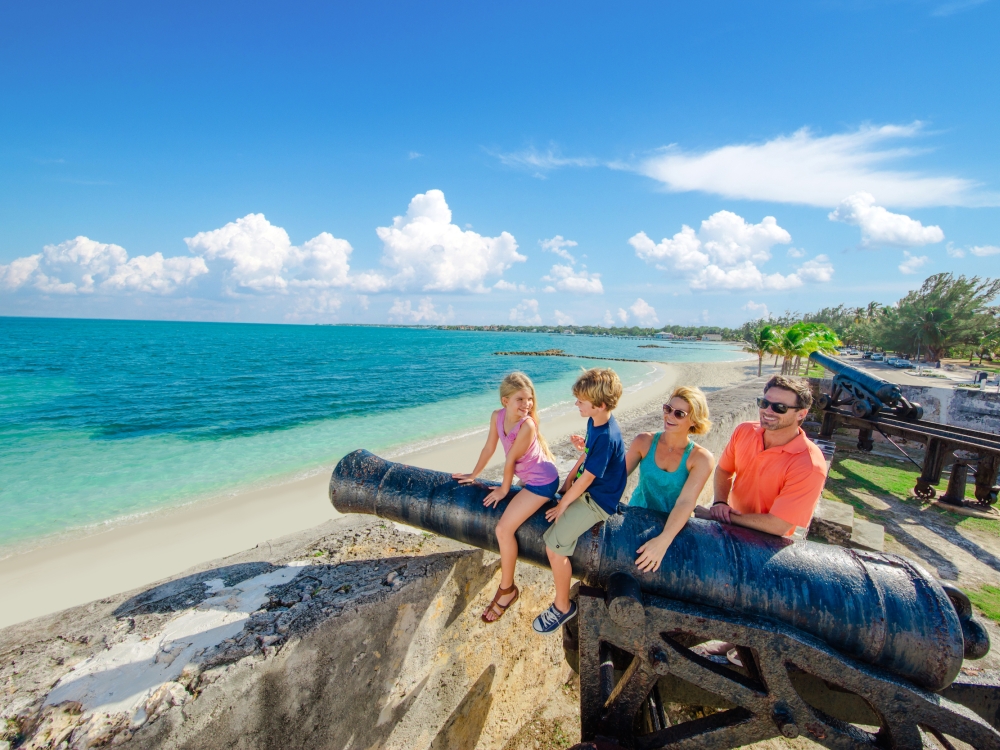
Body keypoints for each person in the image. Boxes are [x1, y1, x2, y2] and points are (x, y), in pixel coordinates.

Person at [453, 371, 560, 623]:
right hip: (529, 476)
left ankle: (507, 589)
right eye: (520, 400)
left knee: (503, 530)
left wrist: (503, 489)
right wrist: (474, 473)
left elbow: (510, 459)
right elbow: (490, 447)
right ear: (505, 401)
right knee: (505, 525)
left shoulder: (528, 425)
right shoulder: (497, 416)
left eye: (530, 399)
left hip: (542, 482)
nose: (527, 405)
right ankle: (507, 588)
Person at [533, 368, 626, 634]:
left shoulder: (607, 436)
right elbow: (587, 456)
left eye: (581, 401)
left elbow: (588, 480)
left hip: (598, 500)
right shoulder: (595, 424)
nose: (576, 404)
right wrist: (567, 481)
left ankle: (563, 607)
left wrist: (563, 504)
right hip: (588, 489)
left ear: (600, 405)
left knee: (554, 548)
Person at [700, 375, 827, 537]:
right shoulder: (744, 431)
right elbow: (724, 470)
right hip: (731, 529)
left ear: (801, 414)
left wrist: (722, 517)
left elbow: (778, 525)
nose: (768, 411)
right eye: (764, 403)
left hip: (768, 541)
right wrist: (720, 503)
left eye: (779, 407)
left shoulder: (809, 464)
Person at [625, 386, 715, 572]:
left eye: (679, 414)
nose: (669, 416)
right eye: (668, 409)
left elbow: (685, 502)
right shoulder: (644, 441)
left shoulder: (700, 459)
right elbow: (617, 477)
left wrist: (663, 541)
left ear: (694, 419)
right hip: (636, 517)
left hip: (671, 526)